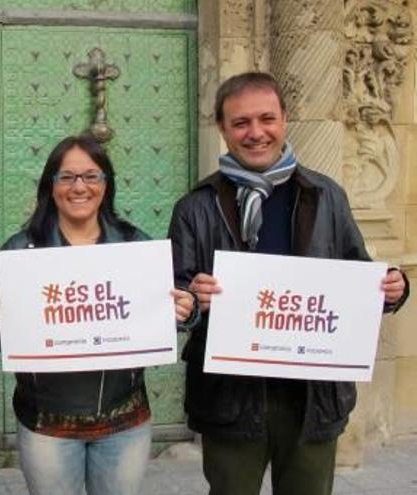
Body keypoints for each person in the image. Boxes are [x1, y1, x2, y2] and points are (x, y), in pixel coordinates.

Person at [167, 72, 409, 495]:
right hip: (231, 396)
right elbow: (176, 294)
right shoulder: (196, 207)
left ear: (285, 120)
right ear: (222, 128)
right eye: (241, 123)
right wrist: (192, 298)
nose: (256, 133)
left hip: (313, 396)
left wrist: (391, 289)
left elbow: (358, 273)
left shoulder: (326, 195)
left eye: (267, 119)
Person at [0, 135, 197, 495]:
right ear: (51, 186)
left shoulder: (135, 245)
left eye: (92, 176)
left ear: (106, 186)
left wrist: (182, 311)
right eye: (67, 177)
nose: (80, 187)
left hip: (124, 421)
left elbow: (162, 318)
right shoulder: (21, 251)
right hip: (48, 425)